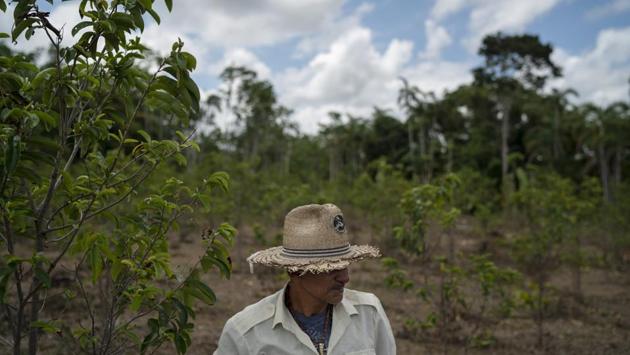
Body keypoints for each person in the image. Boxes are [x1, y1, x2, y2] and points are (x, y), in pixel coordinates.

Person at [214, 203, 396, 355]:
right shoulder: (246, 333)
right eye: (329, 268)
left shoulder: (368, 314)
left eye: (345, 265)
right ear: (294, 271)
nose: (345, 277)